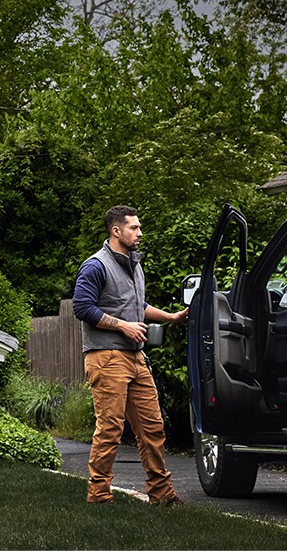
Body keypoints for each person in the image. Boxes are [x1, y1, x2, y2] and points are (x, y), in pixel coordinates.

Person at [73, 205, 188, 505]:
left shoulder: (135, 265)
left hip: (136, 358)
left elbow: (139, 306)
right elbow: (82, 307)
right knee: (110, 428)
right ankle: (98, 495)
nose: (139, 232)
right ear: (116, 231)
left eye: (138, 227)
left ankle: (161, 494)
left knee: (153, 427)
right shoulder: (95, 266)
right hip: (106, 357)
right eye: (134, 228)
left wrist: (172, 318)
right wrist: (123, 326)